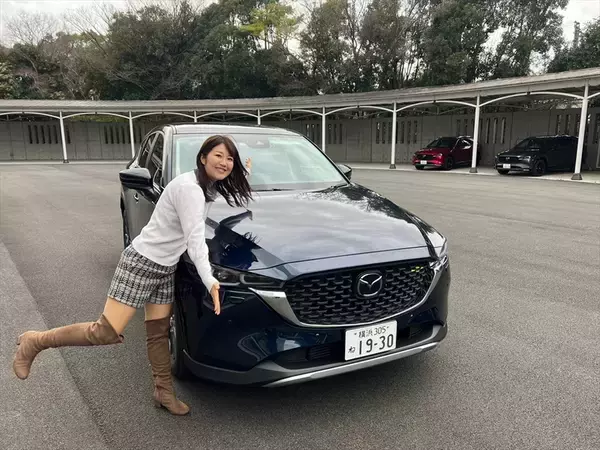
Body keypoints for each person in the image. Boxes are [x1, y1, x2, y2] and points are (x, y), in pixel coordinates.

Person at [12, 135, 253, 416]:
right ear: (203, 157)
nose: (224, 163)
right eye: (218, 156)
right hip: (142, 263)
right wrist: (209, 279)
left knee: (158, 333)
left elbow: (208, 207)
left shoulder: (205, 185)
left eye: (230, 159)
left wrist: (245, 172)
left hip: (165, 268)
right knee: (105, 332)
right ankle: (36, 341)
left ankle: (163, 392)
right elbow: (195, 239)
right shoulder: (190, 189)